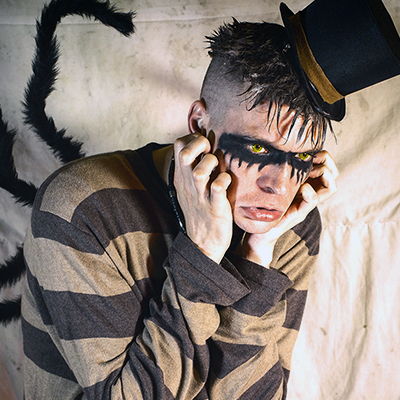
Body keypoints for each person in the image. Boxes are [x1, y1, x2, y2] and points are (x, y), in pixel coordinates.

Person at [21, 17, 339, 400]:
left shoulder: (291, 221)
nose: (280, 186)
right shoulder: (83, 209)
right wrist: (202, 252)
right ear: (199, 124)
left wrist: (258, 253)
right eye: (257, 148)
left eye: (302, 157)